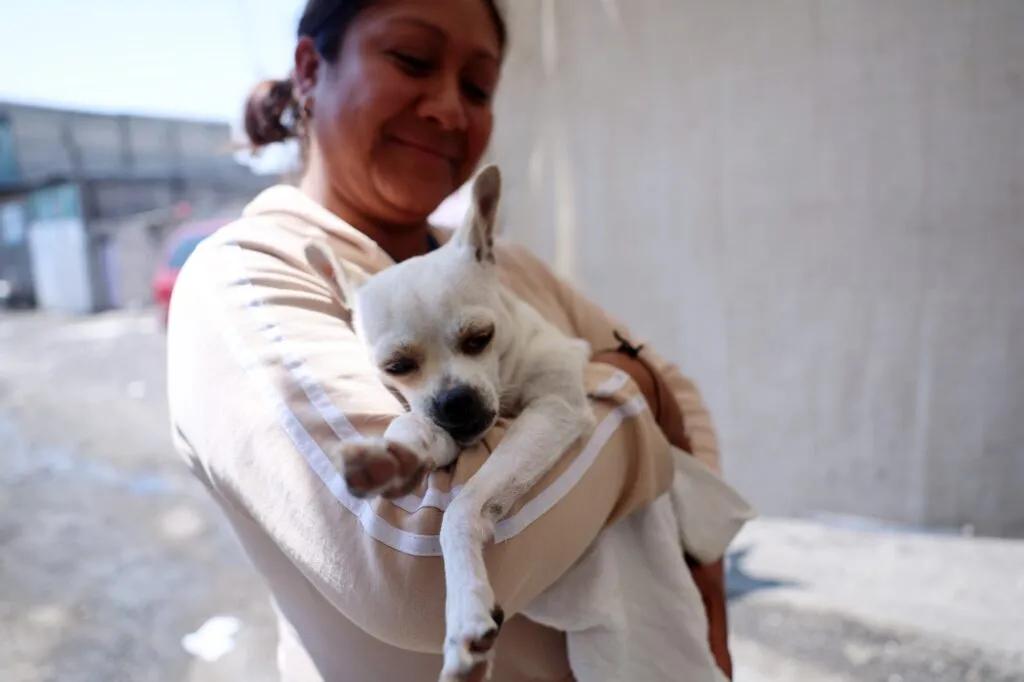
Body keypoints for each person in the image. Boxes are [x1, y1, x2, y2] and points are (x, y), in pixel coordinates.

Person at [165, 1, 733, 680]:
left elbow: (687, 402)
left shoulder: (508, 267)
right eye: (411, 59)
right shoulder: (247, 279)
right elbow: (414, 571)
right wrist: (631, 390)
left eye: (479, 87)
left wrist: (704, 587)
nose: (448, 109)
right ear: (312, 70)